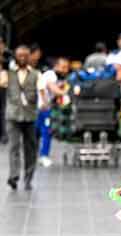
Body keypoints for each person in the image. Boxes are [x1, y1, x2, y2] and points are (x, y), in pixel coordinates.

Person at [0, 45, 45, 190]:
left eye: (25, 55)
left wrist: (43, 103)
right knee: (14, 146)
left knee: (30, 148)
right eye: (19, 55)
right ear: (15, 57)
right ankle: (13, 176)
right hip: (13, 115)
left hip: (30, 116)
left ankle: (28, 178)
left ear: (29, 57)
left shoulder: (36, 74)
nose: (22, 58)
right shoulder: (8, 74)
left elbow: (42, 90)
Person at [36, 57, 70, 167]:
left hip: (41, 108)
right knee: (46, 132)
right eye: (63, 67)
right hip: (43, 109)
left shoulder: (54, 76)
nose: (65, 70)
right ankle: (43, 156)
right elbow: (53, 89)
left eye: (66, 67)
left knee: (37, 133)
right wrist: (66, 91)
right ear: (56, 66)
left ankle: (35, 156)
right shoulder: (51, 75)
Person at [0, 37, 13, 144]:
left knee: (3, 110)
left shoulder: (7, 57)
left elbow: (10, 67)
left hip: (3, 85)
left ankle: (3, 134)